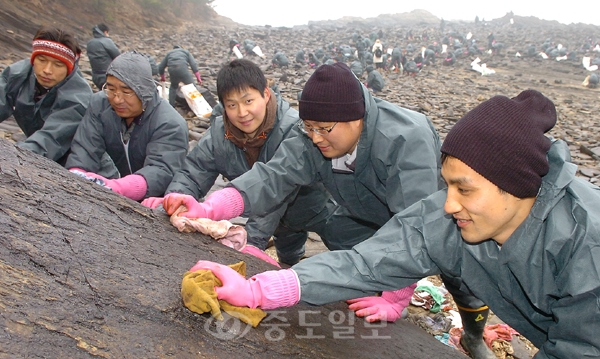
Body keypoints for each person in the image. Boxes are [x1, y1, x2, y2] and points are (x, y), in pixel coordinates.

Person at [192, 89, 600, 359]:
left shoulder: (586, 244)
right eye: (447, 184)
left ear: (515, 186)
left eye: (464, 189)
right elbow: (364, 263)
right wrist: (256, 289)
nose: (447, 203)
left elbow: (583, 346)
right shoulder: (454, 213)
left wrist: (399, 297)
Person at [159, 63, 493, 357]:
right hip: (362, 212)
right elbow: (272, 177)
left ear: (357, 117)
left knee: (461, 272)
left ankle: (474, 336)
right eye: (309, 127)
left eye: (324, 129)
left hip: (434, 222)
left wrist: (396, 298)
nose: (316, 137)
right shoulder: (314, 133)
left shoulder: (407, 140)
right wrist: (207, 207)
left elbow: (415, 231)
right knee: (359, 261)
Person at [142, 59, 330, 266]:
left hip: (314, 208)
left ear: (266, 94)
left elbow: (277, 187)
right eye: (232, 105)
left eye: (248, 101)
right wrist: (176, 201)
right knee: (287, 253)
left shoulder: (294, 129)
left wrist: (252, 240)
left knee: (333, 245)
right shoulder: (219, 134)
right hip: (270, 217)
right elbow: (193, 171)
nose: (242, 113)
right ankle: (289, 263)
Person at [65, 51, 188, 202]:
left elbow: (161, 170)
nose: (117, 99)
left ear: (144, 91)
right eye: (111, 89)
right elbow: (85, 148)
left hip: (157, 200)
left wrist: (118, 188)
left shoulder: (169, 123)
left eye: (126, 91)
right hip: (120, 185)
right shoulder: (100, 105)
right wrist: (76, 175)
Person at [0, 26, 92, 165]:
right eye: (42, 60)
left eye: (58, 64)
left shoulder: (78, 98)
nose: (47, 70)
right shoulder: (17, 75)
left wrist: (13, 157)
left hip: (78, 166)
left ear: (69, 68)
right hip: (37, 151)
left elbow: (51, 139)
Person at [86, 23, 120, 90]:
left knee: (102, 92)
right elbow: (118, 56)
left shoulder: (90, 43)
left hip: (95, 76)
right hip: (108, 75)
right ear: (105, 32)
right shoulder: (106, 41)